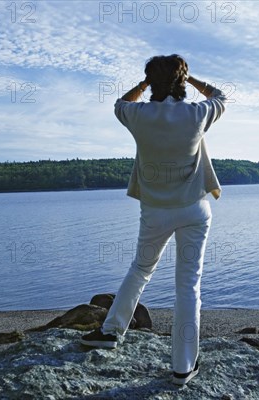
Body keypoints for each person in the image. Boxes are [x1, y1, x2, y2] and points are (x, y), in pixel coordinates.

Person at [80, 54, 227, 386]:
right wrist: (190, 81)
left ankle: (112, 331)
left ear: (150, 83)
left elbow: (119, 103)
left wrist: (147, 85)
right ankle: (183, 367)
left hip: (155, 213)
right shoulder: (196, 113)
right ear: (180, 82)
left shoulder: (138, 114)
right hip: (194, 211)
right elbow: (220, 97)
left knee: (140, 270)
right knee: (188, 286)